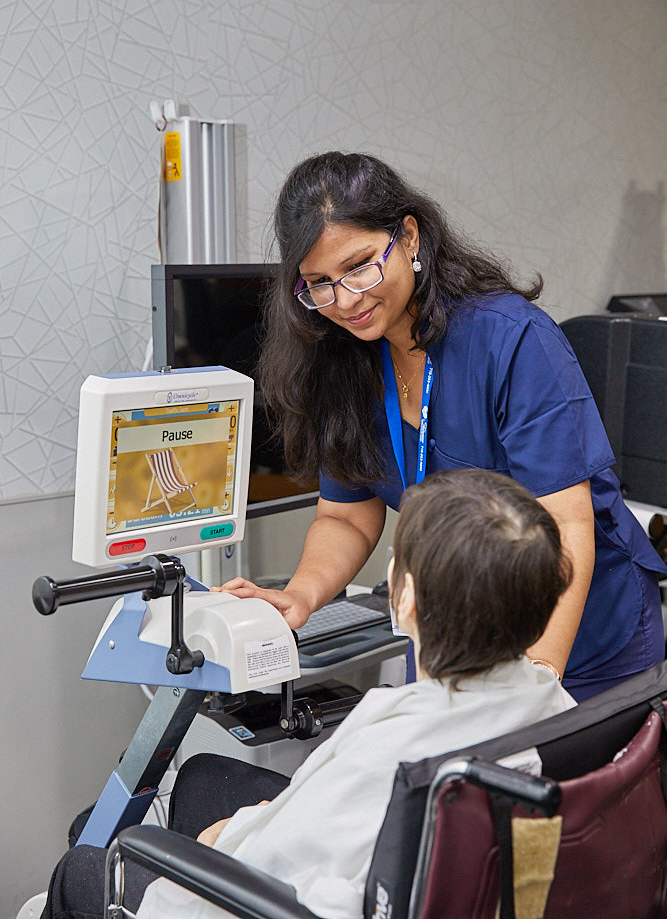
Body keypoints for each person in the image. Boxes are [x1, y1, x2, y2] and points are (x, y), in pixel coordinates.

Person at [221, 151, 665, 701]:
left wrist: (537, 681)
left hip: (581, 636)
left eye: (360, 266)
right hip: (451, 634)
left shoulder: (512, 341)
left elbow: (566, 528)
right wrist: (303, 594)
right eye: (319, 283)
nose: (345, 299)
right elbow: (346, 516)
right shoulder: (338, 359)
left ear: (409, 237)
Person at [41, 468, 576, 919]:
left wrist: (224, 840)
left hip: (273, 901)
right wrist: (283, 813)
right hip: (407, 865)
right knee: (201, 776)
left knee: (84, 867)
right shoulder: (551, 703)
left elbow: (267, 858)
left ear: (405, 598)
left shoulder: (390, 753)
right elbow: (329, 820)